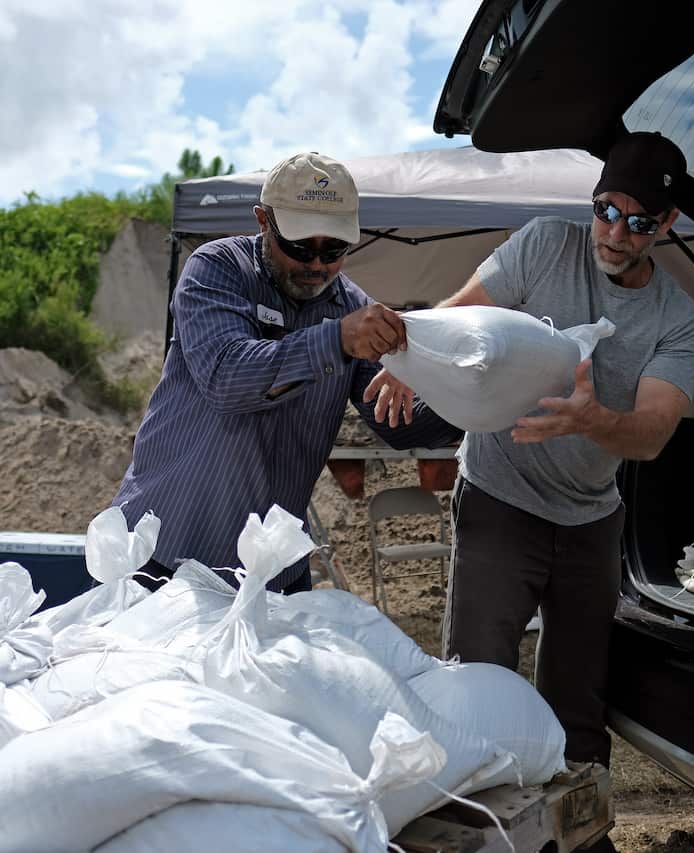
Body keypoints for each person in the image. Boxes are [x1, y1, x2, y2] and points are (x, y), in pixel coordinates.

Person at [366, 131, 694, 852]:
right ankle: (473, 837)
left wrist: (594, 421)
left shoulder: (679, 319)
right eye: (606, 210)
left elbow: (649, 433)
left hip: (590, 522)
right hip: (499, 497)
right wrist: (411, 355)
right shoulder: (545, 245)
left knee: (578, 706)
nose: (616, 232)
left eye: (639, 220)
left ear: (667, 226)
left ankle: (581, 842)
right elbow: (464, 311)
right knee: (475, 683)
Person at [113, 151, 458, 593]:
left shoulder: (349, 304)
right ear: (262, 220)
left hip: (270, 568)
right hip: (162, 555)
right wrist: (335, 341)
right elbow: (227, 378)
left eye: (334, 249)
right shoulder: (216, 270)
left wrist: (474, 397)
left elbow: (397, 422)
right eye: (300, 246)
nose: (317, 265)